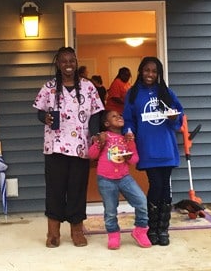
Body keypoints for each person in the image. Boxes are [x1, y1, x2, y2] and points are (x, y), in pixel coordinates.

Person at [33, 46, 104, 248]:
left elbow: (95, 114)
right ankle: (53, 233)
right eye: (64, 61)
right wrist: (44, 118)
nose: (68, 65)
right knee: (55, 189)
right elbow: (39, 111)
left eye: (71, 61)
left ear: (76, 62)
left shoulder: (88, 87)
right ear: (58, 63)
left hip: (80, 146)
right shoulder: (49, 87)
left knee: (77, 189)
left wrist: (96, 134)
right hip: (55, 146)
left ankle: (77, 231)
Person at [123, 56, 183, 246]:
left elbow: (179, 118)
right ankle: (151, 228)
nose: (150, 74)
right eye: (147, 70)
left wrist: (174, 118)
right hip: (147, 147)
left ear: (159, 74)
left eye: (154, 71)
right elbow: (128, 120)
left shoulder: (165, 92)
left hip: (166, 146)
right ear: (140, 71)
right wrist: (128, 131)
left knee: (165, 186)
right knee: (155, 185)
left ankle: (163, 230)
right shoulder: (133, 94)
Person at [88, 110, 152, 250]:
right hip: (105, 179)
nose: (119, 117)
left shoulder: (127, 139)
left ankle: (140, 230)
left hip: (124, 178)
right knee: (110, 210)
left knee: (141, 201)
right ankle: (113, 234)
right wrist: (99, 142)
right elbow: (92, 155)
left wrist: (130, 154)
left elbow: (135, 159)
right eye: (114, 116)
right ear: (106, 123)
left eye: (120, 115)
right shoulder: (104, 137)